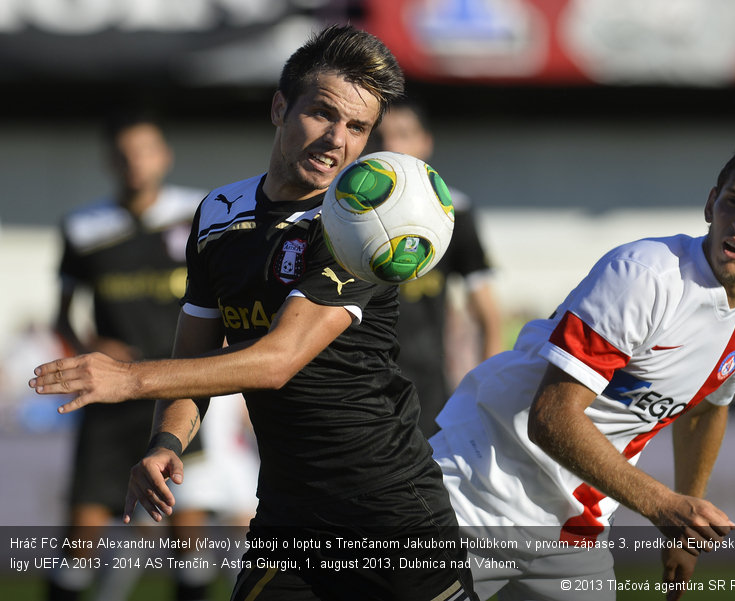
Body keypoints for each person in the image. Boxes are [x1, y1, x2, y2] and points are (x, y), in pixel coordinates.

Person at [31, 25, 477, 601]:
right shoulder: (218, 212)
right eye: (322, 114)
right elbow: (192, 358)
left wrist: (129, 380)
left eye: (358, 127)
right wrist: (166, 440)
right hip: (289, 514)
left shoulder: (364, 225)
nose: (336, 141)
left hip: (385, 508)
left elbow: (275, 362)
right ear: (279, 107)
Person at [427, 131, 735, 600]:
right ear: (711, 203)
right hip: (476, 498)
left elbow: (707, 409)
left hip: (572, 532)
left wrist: (683, 529)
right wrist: (662, 505)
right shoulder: (645, 275)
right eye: (734, 202)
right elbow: (551, 417)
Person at [49, 112, 219, 601]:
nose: (136, 163)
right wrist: (88, 348)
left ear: (163, 155)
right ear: (110, 161)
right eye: (124, 154)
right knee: (80, 535)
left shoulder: (199, 213)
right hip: (109, 400)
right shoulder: (84, 227)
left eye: (145, 151)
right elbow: (61, 316)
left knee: (188, 532)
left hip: (176, 393)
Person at [374, 99, 503, 437]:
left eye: (402, 134)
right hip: (354, 385)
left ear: (424, 143)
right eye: (379, 136)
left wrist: (486, 391)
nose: (390, 146)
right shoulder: (342, 210)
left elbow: (487, 313)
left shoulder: (453, 211)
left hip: (426, 389)